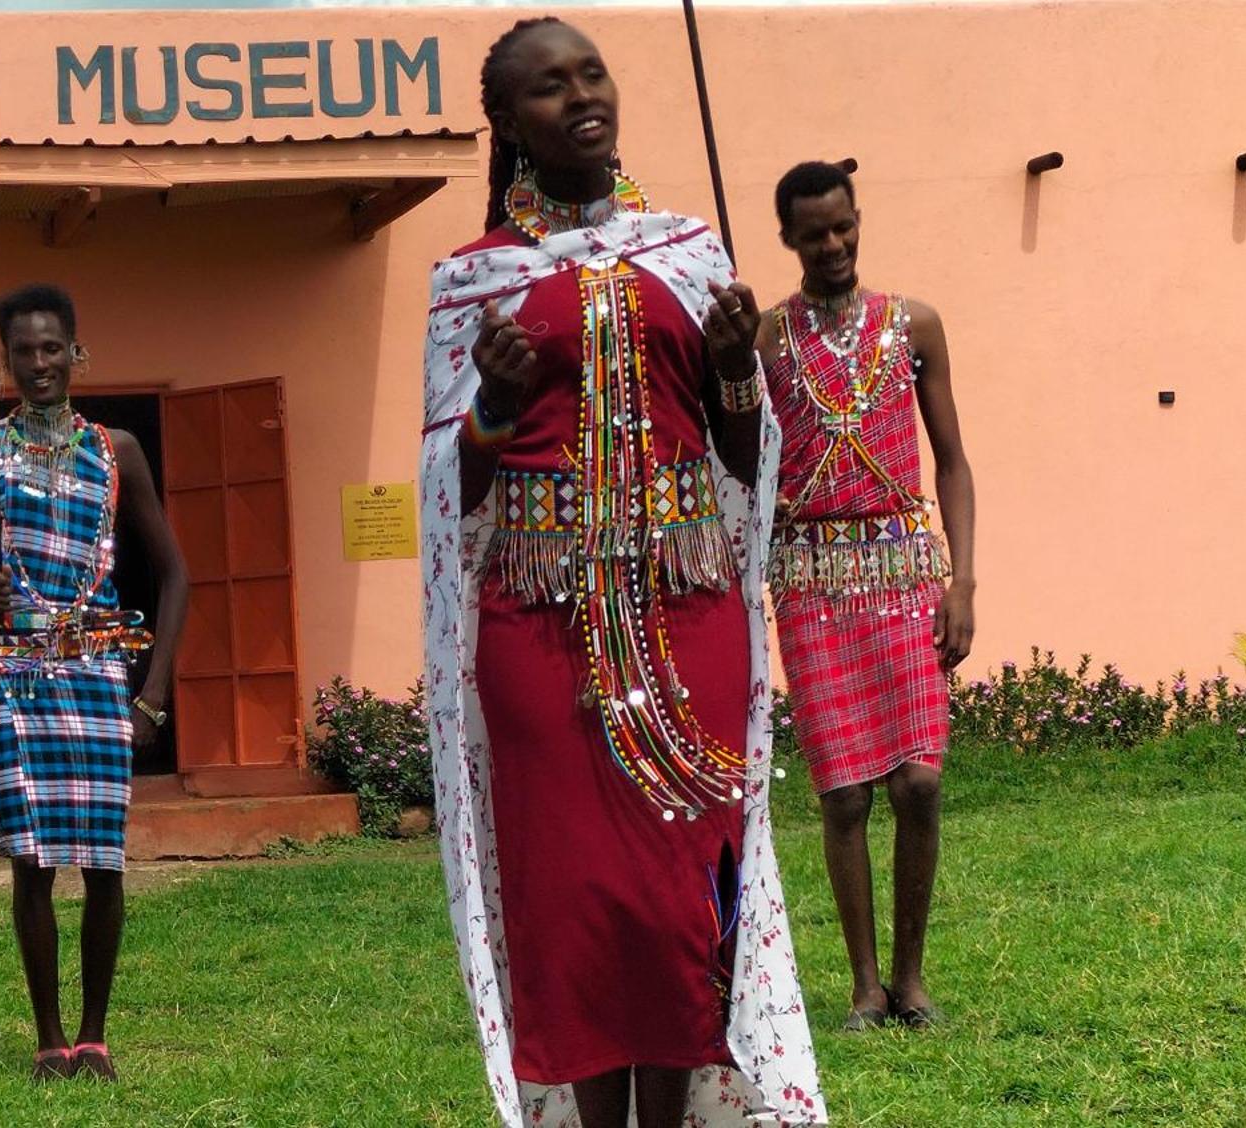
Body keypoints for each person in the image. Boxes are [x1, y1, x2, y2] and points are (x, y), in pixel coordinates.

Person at [418, 18, 823, 1128]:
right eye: (546, 90)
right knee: (575, 917)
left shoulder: (690, 254)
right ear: (505, 125)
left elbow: (744, 461)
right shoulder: (471, 282)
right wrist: (493, 408)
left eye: (589, 74)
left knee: (681, 909)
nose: (579, 98)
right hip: (536, 635)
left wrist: (736, 368)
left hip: (686, 614)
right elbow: (446, 490)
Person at [0, 283, 188, 1082]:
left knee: (104, 863)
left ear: (77, 353)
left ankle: (95, 1036)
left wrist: (153, 693)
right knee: (32, 863)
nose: (39, 363)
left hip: (99, 674)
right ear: (4, 361)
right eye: (23, 352)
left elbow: (177, 574)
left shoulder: (117, 451)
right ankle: (48, 1039)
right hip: (15, 679)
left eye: (53, 348)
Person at [759, 160, 976, 1032]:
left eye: (844, 226)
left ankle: (913, 981)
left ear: (858, 218)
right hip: (810, 580)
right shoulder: (768, 339)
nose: (835, 244)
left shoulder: (913, 323)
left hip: (903, 570)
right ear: (790, 240)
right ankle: (863, 987)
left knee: (919, 783)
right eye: (815, 233)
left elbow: (953, 461)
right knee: (844, 793)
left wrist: (964, 579)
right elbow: (741, 453)